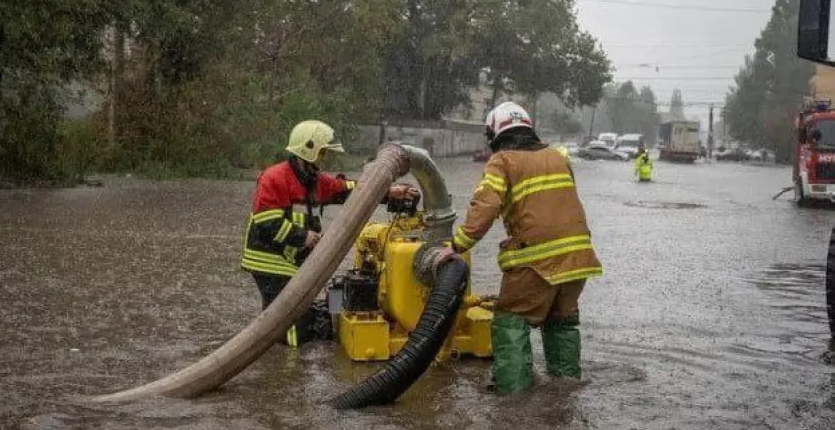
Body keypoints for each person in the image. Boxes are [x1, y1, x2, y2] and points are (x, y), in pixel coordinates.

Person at [435, 101, 602, 394]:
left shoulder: (503, 161)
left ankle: (513, 400)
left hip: (536, 261)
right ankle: (565, 391)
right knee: (561, 323)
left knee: (510, 320)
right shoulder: (559, 157)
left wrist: (457, 246)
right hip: (579, 259)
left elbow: (485, 206)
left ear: (496, 135)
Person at [242, 120, 419, 347]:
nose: (324, 159)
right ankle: (286, 365)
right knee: (291, 322)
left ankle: (282, 350)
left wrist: (389, 192)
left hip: (292, 260)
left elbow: (353, 192)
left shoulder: (316, 182)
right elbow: (267, 223)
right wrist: (303, 237)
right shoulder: (274, 178)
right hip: (269, 261)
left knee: (295, 315)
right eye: (322, 153)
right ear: (308, 151)